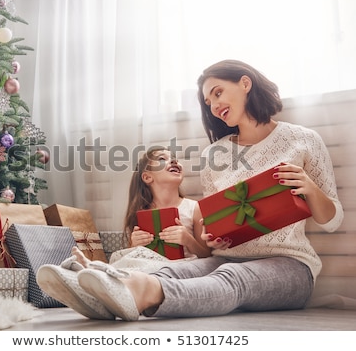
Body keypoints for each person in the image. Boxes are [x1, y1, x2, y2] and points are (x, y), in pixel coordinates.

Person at [39, 59, 344, 321]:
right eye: (208, 102)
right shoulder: (214, 155)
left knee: (232, 279)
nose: (213, 106)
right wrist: (211, 236)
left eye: (218, 93)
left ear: (245, 83)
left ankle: (140, 293)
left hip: (290, 266)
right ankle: (99, 292)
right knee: (177, 271)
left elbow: (332, 220)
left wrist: (309, 188)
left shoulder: (302, 139)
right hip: (226, 256)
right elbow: (212, 236)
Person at [37, 146, 229, 319]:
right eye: (162, 159)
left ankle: (93, 275)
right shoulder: (142, 213)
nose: (173, 161)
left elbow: (206, 255)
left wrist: (187, 239)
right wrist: (134, 244)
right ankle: (88, 285)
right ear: (147, 177)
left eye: (174, 158)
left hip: (178, 267)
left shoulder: (194, 208)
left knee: (142, 270)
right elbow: (134, 255)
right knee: (131, 261)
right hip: (147, 262)